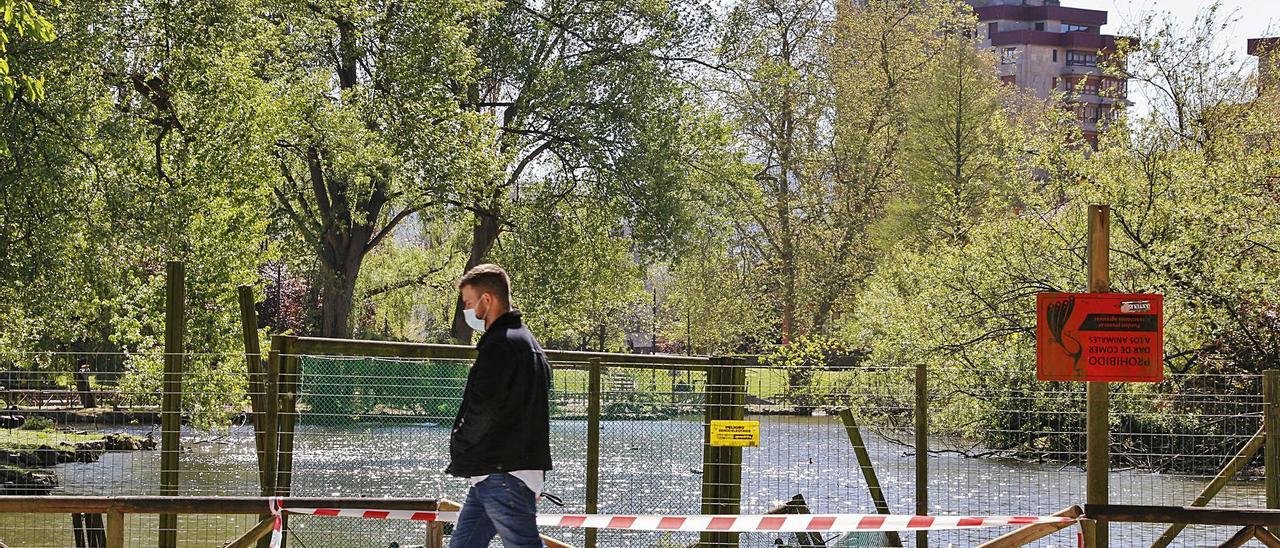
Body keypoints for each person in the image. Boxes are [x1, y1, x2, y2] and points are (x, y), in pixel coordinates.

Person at [447, 264, 552, 548]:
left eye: (469, 303)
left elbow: (483, 409)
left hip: (501, 473)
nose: (467, 311)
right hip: (498, 473)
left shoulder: (499, 346)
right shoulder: (530, 346)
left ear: (487, 299)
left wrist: (458, 442)